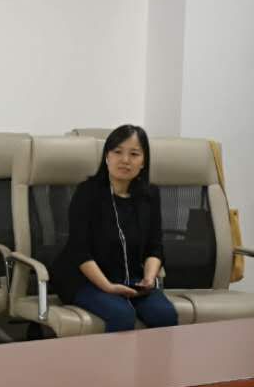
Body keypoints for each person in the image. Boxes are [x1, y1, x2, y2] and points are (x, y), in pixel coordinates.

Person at [53, 124, 180, 333]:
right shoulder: (87, 193)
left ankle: (153, 357)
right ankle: (110, 357)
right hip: (84, 280)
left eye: (134, 154)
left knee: (164, 314)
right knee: (121, 314)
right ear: (107, 156)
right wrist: (108, 287)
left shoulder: (149, 195)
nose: (125, 160)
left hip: (132, 279)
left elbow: (154, 246)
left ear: (144, 161)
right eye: (118, 152)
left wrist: (149, 278)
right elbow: (79, 251)